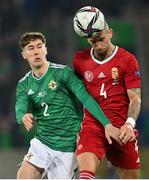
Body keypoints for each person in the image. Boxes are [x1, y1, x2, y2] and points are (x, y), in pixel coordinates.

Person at [15, 32, 121, 179]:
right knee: (24, 175)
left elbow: (86, 98)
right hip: (43, 142)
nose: (36, 51)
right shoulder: (24, 84)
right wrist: (22, 116)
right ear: (24, 54)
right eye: (30, 48)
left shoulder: (62, 73)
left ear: (45, 50)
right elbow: (20, 106)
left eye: (39, 46)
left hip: (69, 144)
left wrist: (107, 124)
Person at [73, 6, 141, 179]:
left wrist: (129, 124)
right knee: (86, 176)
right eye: (93, 41)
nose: (98, 45)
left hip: (122, 129)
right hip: (93, 126)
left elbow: (135, 99)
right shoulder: (80, 61)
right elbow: (77, 94)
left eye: (101, 39)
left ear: (110, 33)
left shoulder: (127, 60)